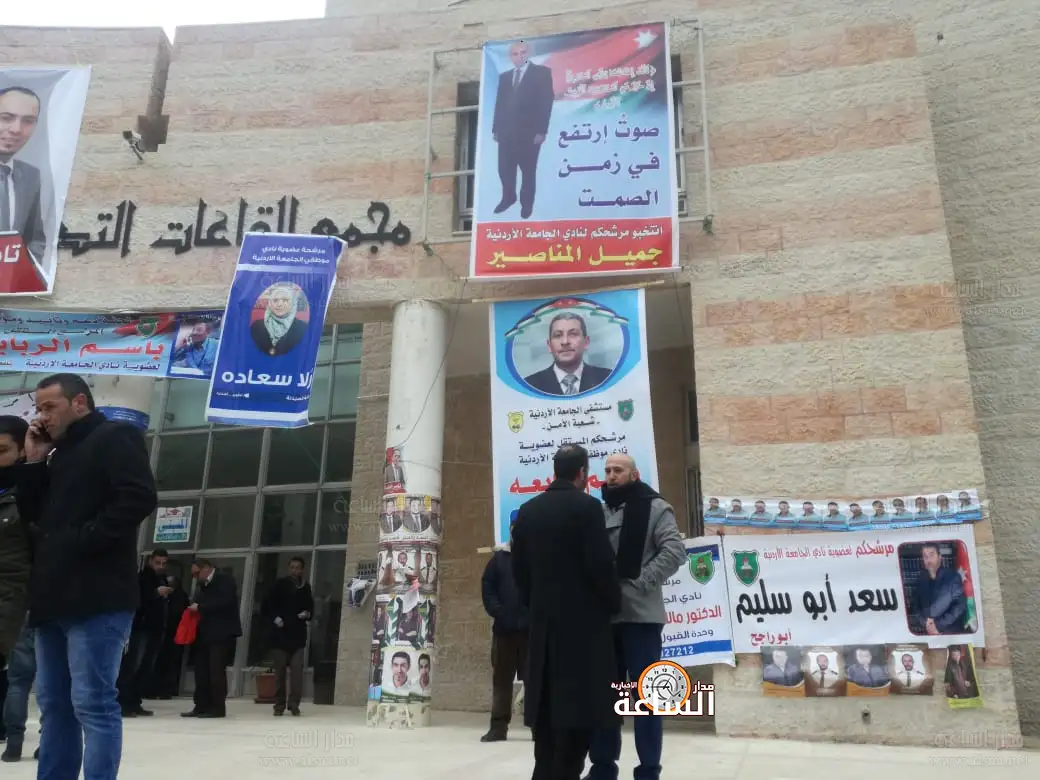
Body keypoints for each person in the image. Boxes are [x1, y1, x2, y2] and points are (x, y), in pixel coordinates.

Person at [15, 373, 157, 780]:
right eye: (38, 408)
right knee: (54, 704)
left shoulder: (114, 436)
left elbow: (138, 496)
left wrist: (83, 538)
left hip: (97, 597)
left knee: (93, 702)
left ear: (79, 403)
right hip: (52, 599)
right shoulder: (56, 454)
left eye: (49, 407)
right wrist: (34, 460)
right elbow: (32, 516)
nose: (42, 416)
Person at [511, 444, 621, 780]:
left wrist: (536, 604)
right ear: (582, 473)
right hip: (583, 634)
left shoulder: (528, 510)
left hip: (544, 630)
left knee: (546, 725)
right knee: (577, 721)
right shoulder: (588, 508)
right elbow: (600, 566)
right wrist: (612, 603)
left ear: (554, 471)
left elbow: (520, 572)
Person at [586, 453, 685, 780]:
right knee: (605, 697)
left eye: (619, 470)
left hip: (641, 617)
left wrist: (641, 581)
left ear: (634, 474)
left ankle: (648, 770)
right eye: (608, 471)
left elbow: (674, 551)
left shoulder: (657, 508)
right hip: (605, 618)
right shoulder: (598, 512)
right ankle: (602, 767)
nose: (612, 476)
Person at [491, 40, 554, 220]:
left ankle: (526, 205)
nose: (519, 56)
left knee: (528, 171)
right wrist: (496, 128)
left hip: (530, 133)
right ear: (510, 57)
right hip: (506, 132)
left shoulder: (541, 73)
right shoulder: (505, 77)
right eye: (515, 54)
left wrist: (542, 131)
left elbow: (546, 102)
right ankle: (508, 198)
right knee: (504, 168)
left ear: (529, 53)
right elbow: (499, 104)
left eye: (523, 52)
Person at [0, 416, 33, 763]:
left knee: (27, 679)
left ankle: (20, 742)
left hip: (23, 603)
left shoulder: (30, 495)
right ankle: (13, 741)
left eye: (2, 450)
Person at [480, 526, 529, 743]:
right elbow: (488, 587)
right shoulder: (498, 560)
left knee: (535, 681)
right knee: (502, 681)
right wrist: (498, 611)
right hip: (503, 631)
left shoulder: (536, 559)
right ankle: (498, 728)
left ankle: (538, 728)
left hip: (530, 632)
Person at [182, 560, 242, 719]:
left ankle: (217, 708)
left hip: (221, 633)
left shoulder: (225, 580)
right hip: (204, 633)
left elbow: (224, 602)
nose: (195, 577)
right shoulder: (203, 585)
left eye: (197, 573)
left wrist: (200, 607)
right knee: (201, 671)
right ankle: (201, 705)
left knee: (216, 671)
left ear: (207, 569)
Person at [116, 548, 172, 717]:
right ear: (150, 561)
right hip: (142, 628)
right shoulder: (143, 578)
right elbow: (139, 600)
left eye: (163, 563)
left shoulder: (161, 578)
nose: (160, 566)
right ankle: (124, 702)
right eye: (157, 562)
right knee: (133, 665)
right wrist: (156, 593)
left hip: (155, 628)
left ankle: (134, 701)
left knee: (146, 667)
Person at [260, 556, 314, 717]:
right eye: (292, 567)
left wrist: (307, 613)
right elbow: (267, 606)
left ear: (302, 570)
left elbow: (310, 606)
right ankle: (279, 705)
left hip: (298, 635)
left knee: (297, 673)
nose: (295, 570)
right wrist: (275, 618)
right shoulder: (279, 585)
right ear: (288, 568)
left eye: (298, 568)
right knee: (280, 673)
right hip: (280, 635)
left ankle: (294, 704)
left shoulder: (305, 587)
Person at [0, 86, 46, 262]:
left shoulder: (30, 176)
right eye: (6, 118)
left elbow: (34, 238)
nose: (16, 129)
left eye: (28, 121)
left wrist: (28, 272)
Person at [524, 314, 612, 396]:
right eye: (558, 335)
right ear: (549, 345)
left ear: (586, 342)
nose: (565, 342)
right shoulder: (529, 385)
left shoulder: (608, 378)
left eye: (573, 334)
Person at [147, 574, 189, 700]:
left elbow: (178, 613)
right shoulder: (162, 597)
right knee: (157, 662)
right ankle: (153, 688)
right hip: (161, 633)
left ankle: (167, 689)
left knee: (170, 663)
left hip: (173, 635)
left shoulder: (180, 597)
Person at [911, 542, 967, 635]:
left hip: (950, 633)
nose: (928, 559)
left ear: (940, 557)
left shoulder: (952, 577)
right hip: (928, 633)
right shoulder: (921, 579)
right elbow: (915, 606)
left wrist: (938, 625)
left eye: (931, 555)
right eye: (925, 556)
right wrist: (925, 622)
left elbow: (959, 605)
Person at [250, 284, 307, 356]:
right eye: (275, 300)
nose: (279, 304)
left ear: (292, 303)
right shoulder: (256, 326)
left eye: (285, 300)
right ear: (270, 303)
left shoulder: (302, 328)